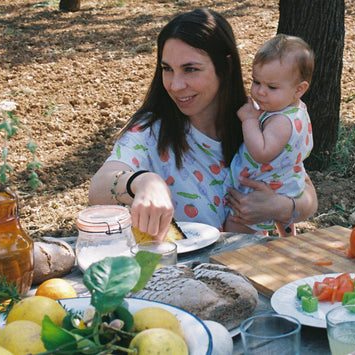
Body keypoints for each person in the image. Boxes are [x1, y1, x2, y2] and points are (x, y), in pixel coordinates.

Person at [88, 8, 318, 241]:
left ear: (225, 67)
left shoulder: (256, 122)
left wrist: (280, 207)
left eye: (190, 69)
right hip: (177, 273)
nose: (175, 85)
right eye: (167, 69)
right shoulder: (150, 132)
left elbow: (307, 193)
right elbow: (98, 188)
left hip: (249, 269)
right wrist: (143, 181)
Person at [224, 34, 314, 237]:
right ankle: (288, 241)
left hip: (264, 184)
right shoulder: (295, 109)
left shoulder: (281, 121)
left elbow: (261, 153)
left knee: (235, 226)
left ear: (299, 89)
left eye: (272, 87)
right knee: (284, 222)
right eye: (256, 82)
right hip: (287, 180)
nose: (260, 92)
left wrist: (249, 121)